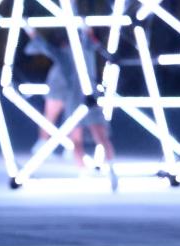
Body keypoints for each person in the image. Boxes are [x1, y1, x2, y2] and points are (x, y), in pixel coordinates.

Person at [25, 27, 118, 190]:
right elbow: (43, 46)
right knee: (88, 138)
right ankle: (95, 171)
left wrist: (30, 30)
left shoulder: (83, 48)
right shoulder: (75, 50)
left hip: (85, 97)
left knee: (94, 137)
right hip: (78, 97)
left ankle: (107, 171)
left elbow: (43, 46)